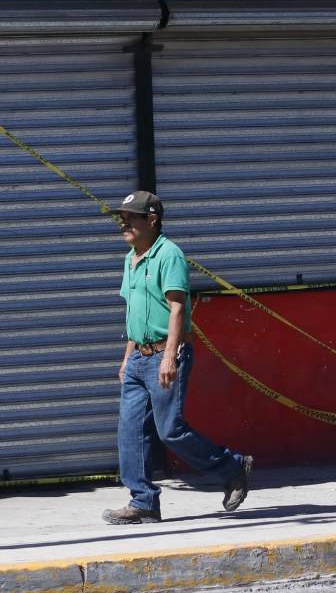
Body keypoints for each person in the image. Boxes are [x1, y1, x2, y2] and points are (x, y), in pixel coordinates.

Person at [102, 190, 252, 525]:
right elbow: (134, 313)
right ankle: (142, 502)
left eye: (130, 217)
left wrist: (169, 357)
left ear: (151, 220)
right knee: (129, 430)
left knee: (169, 430)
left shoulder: (169, 255)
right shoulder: (131, 257)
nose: (122, 222)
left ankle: (233, 467)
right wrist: (127, 357)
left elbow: (177, 308)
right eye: (121, 217)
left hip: (165, 354)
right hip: (139, 356)